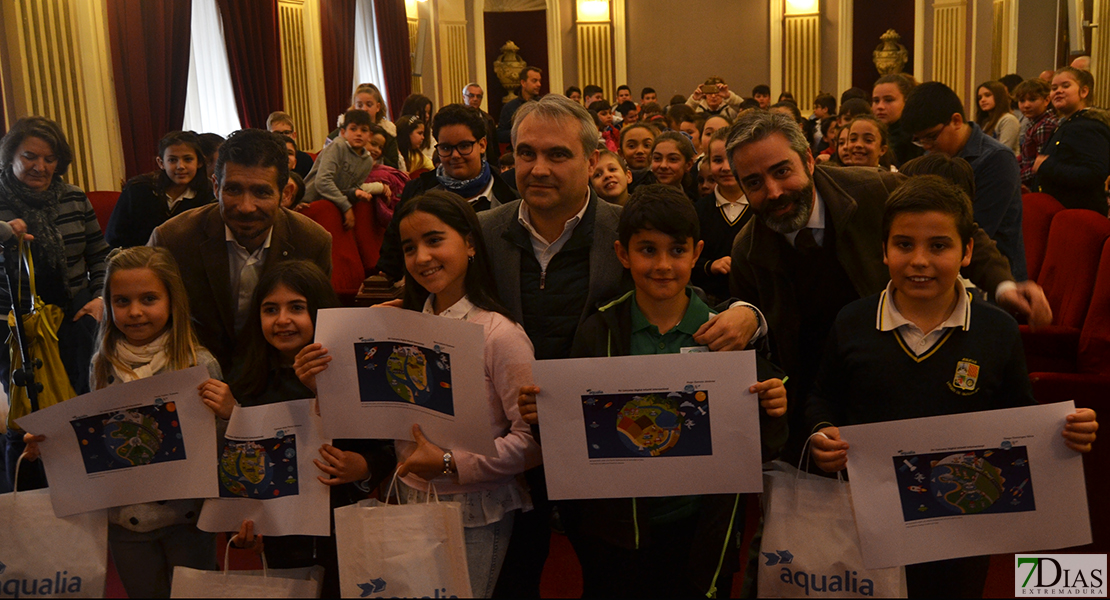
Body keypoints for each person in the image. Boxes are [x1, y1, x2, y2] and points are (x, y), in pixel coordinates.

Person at [486, 94, 759, 597]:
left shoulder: (629, 227)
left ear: (591, 161)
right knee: (513, 578)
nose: (538, 168)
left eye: (557, 154)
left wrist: (749, 314)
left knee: (610, 571)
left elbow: (684, 291)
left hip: (609, 464)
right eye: (526, 153)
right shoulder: (483, 232)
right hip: (513, 442)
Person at [805, 176, 1098, 598]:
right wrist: (821, 431)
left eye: (939, 246)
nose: (919, 260)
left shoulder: (996, 329)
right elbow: (823, 395)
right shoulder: (852, 321)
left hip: (964, 528)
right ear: (884, 251)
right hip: (869, 522)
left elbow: (1017, 412)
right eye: (904, 245)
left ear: (967, 252)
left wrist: (1063, 431)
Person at [724, 111, 1051, 462]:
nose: (773, 191)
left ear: (807, 159)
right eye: (754, 183)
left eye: (782, 171)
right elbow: (758, 336)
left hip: (890, 369)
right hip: (817, 400)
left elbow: (954, 226)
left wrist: (1004, 286)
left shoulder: (873, 190)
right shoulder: (747, 250)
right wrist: (745, 314)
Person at [518, 184, 787, 598]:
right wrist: (544, 417)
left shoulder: (723, 333)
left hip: (698, 523)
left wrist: (772, 404)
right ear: (623, 254)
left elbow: (758, 439)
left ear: (697, 253)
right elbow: (572, 436)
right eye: (647, 250)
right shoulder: (600, 329)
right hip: (618, 527)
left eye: (677, 251)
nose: (663, 265)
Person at [302, 191, 541, 598]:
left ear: (469, 243)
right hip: (409, 498)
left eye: (434, 240)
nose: (422, 258)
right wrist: (322, 383)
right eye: (409, 248)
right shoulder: (402, 325)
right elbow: (373, 418)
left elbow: (532, 444)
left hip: (475, 509)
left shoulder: (500, 334)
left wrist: (450, 462)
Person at [25, 246, 230, 598]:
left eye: (149, 299)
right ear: (108, 304)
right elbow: (95, 437)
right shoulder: (101, 363)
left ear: (172, 301)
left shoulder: (198, 363)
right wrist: (50, 444)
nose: (135, 312)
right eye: (121, 301)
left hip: (188, 519)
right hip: (124, 520)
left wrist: (229, 411)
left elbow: (220, 445)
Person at [232, 261, 393, 598]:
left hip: (346, 532)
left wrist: (362, 466)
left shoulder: (353, 373)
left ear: (320, 311)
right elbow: (246, 469)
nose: (282, 320)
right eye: (270, 309)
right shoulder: (249, 384)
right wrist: (247, 520)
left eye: (297, 308)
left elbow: (385, 448)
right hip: (283, 541)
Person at [150, 128, 332, 373]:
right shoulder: (172, 240)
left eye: (261, 192)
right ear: (216, 187)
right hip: (195, 379)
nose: (246, 207)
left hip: (279, 381)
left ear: (286, 194)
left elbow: (318, 333)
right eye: (233, 190)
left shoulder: (312, 242)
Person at [0, 116, 107, 490]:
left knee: (78, 407)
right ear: (10, 155)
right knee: (28, 418)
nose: (40, 167)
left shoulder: (74, 197)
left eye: (50, 158)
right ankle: (28, 497)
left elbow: (100, 255)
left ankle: (80, 489)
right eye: (30, 156)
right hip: (15, 326)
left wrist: (98, 299)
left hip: (76, 317)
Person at [902, 81, 1028, 280]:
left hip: (992, 274)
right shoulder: (934, 155)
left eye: (931, 137)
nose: (926, 146)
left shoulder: (996, 159)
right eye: (920, 140)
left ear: (956, 120)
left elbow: (976, 228)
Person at [378, 104, 518, 281]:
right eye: (445, 148)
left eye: (464, 146)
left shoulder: (508, 197)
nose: (455, 155)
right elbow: (393, 254)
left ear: (482, 145)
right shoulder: (418, 191)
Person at [106, 131, 214, 248]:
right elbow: (115, 238)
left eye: (188, 159)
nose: (180, 166)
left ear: (199, 162)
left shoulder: (209, 194)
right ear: (161, 163)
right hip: (141, 261)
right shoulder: (137, 188)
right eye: (172, 160)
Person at [1034, 67, 1110, 215]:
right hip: (1059, 214)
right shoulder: (1067, 124)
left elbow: (1094, 174)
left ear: (1084, 92)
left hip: (1077, 217)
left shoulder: (1089, 126)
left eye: (1065, 86)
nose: (1058, 91)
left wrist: (1047, 165)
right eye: (1054, 88)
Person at [693, 126, 750, 305]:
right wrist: (710, 266)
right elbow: (686, 258)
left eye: (732, 159)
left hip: (756, 301)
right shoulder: (698, 210)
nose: (726, 167)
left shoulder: (762, 206)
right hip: (709, 302)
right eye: (718, 160)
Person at [303, 110, 387, 231]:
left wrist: (355, 193)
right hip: (309, 205)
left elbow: (347, 190)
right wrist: (346, 207)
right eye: (353, 129)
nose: (358, 133)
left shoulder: (367, 161)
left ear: (369, 135)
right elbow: (322, 182)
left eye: (363, 130)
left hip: (333, 209)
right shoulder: (338, 146)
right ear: (343, 132)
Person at [324, 84, 398, 170]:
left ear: (377, 107)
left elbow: (394, 166)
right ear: (354, 106)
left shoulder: (388, 134)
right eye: (360, 105)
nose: (364, 109)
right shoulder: (340, 132)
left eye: (369, 105)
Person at [1012, 78, 1059, 188]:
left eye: (1032, 100)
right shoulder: (1034, 123)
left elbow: (1039, 165)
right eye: (1022, 101)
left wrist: (1015, 177)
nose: (1026, 105)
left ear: (1046, 100)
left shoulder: (1045, 125)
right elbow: (1026, 157)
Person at [872, 73, 923, 167]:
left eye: (888, 100)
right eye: (876, 101)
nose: (880, 106)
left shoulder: (916, 139)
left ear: (907, 101)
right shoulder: (874, 134)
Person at [498, 67, 543, 144]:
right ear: (523, 83)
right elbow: (500, 135)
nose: (539, 84)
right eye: (534, 81)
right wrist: (521, 131)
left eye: (539, 81)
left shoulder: (544, 104)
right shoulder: (510, 107)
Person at [650, 131, 698, 200]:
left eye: (672, 159)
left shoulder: (694, 201)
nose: (663, 165)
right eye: (657, 158)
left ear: (688, 165)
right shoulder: (640, 201)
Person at [976, 81, 1021, 153]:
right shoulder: (985, 122)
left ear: (999, 96)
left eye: (987, 95)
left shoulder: (1008, 120)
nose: (982, 100)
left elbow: (1003, 151)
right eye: (979, 98)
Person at [463, 83, 501, 167]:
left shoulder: (488, 119)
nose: (475, 99)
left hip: (486, 164)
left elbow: (494, 148)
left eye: (478, 96)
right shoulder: (457, 118)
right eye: (471, 95)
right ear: (464, 97)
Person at [267, 111, 314, 178]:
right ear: (269, 136)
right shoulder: (264, 159)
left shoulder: (305, 160)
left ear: (294, 135)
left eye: (286, 132)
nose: (282, 137)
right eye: (276, 133)